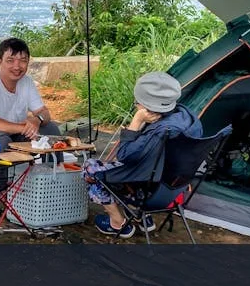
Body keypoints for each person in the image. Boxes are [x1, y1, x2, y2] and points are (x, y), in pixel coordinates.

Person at [85, 72, 202, 238]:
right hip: (172, 189)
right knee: (138, 169)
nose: (136, 105)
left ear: (147, 106)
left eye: (137, 102)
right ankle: (142, 218)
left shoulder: (160, 131)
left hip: (148, 192)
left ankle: (117, 223)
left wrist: (137, 121)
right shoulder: (187, 117)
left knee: (90, 169)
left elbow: (124, 155)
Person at [0, 37, 60, 145]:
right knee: (3, 140)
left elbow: (44, 112)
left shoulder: (26, 82)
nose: (17, 67)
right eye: (10, 60)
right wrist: (23, 128)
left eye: (23, 61)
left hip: (13, 134)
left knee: (50, 128)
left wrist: (37, 120)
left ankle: (57, 162)